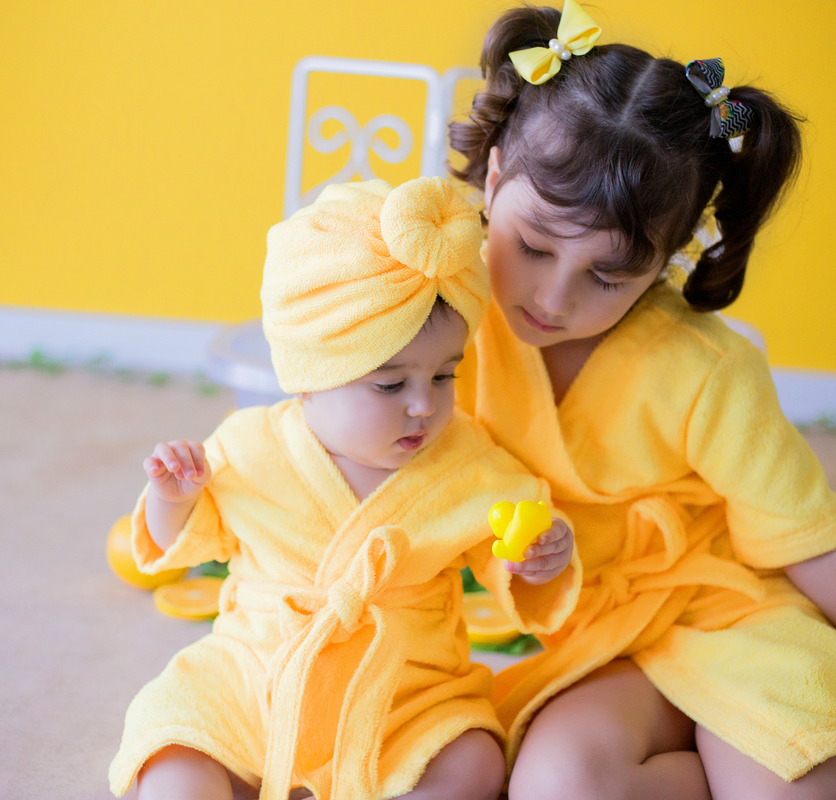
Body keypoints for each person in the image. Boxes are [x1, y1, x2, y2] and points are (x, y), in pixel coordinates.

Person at [447, 3, 836, 799]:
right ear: (493, 177)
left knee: (810, 788)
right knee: (556, 785)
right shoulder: (446, 302)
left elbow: (816, 543)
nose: (553, 298)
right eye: (532, 246)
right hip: (608, 635)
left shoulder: (705, 367)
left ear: (669, 257)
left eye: (610, 276)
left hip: (739, 614)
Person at [107, 177, 580, 800]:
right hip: (256, 682)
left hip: (404, 696)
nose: (423, 405)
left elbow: (508, 556)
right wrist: (173, 498)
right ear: (308, 378)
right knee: (173, 748)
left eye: (444, 376)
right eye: (390, 386)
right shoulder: (249, 447)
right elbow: (177, 545)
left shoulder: (470, 464)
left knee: (474, 760)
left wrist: (539, 555)